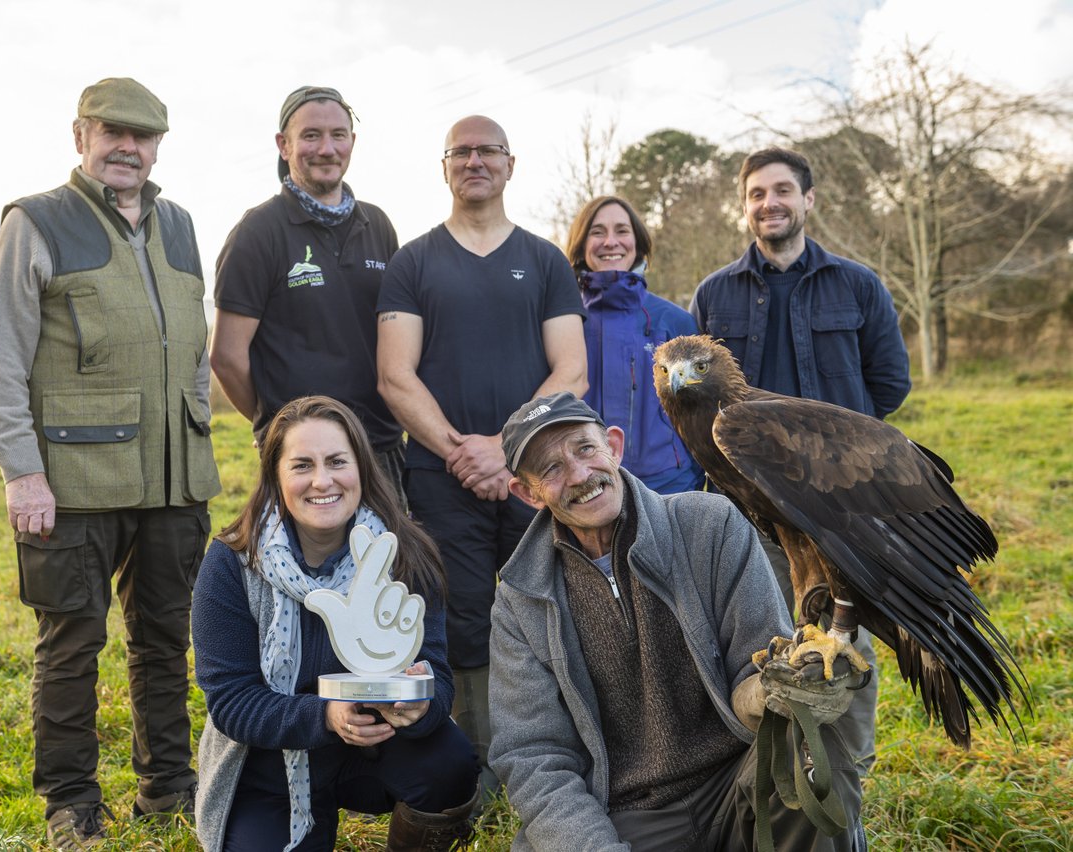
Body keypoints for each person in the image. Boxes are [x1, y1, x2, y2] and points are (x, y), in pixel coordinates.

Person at [0, 78, 219, 848]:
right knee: (72, 645)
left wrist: (201, 428)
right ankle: (71, 805)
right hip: (71, 484)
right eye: (114, 132)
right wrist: (21, 470)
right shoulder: (35, 221)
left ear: (158, 147)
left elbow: (196, 349)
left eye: (144, 137)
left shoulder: (179, 225)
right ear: (80, 134)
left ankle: (170, 789)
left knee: (166, 638)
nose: (128, 148)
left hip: (175, 481)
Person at [488, 392, 866, 851]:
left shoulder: (710, 525)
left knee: (808, 762)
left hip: (736, 780)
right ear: (528, 494)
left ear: (614, 445)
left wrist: (776, 691)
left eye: (585, 449)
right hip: (624, 810)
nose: (579, 475)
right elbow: (534, 755)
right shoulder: (520, 598)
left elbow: (757, 664)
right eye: (550, 468)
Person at [376, 115, 587, 788]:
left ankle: (566, 750)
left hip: (538, 476)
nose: (475, 161)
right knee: (459, 615)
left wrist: (505, 448)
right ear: (444, 167)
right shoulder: (414, 262)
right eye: (461, 152)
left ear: (510, 164)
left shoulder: (546, 259)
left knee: (554, 603)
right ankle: (480, 765)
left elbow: (572, 370)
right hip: (439, 478)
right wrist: (461, 452)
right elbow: (394, 375)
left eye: (487, 151)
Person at [691, 147, 912, 775]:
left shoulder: (857, 284)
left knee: (846, 638)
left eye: (782, 190)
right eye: (757, 193)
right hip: (751, 504)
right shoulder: (714, 293)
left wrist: (836, 452)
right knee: (760, 636)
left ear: (808, 200)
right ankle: (775, 777)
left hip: (838, 508)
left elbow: (889, 386)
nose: (771, 203)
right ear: (744, 207)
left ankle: (842, 775)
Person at [192, 396, 478, 852]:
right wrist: (325, 717)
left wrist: (421, 705)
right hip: (271, 766)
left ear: (361, 469)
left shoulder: (403, 554)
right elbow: (230, 701)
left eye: (337, 462)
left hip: (376, 750)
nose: (322, 480)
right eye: (302, 465)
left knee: (449, 762)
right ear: (275, 477)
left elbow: (438, 676)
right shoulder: (232, 564)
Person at [211, 86, 405, 497]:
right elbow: (227, 357)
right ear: (284, 145)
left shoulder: (379, 225)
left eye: (338, 134)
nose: (327, 148)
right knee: (305, 563)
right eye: (311, 135)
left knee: (392, 561)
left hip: (380, 450)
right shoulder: (258, 232)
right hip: (303, 459)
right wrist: (282, 427)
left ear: (352, 142)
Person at [564, 195, 704, 494]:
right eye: (597, 232)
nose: (610, 241)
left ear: (638, 242)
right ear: (580, 244)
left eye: (621, 231)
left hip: (668, 486)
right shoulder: (564, 321)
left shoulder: (674, 321)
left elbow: (698, 414)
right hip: (584, 485)